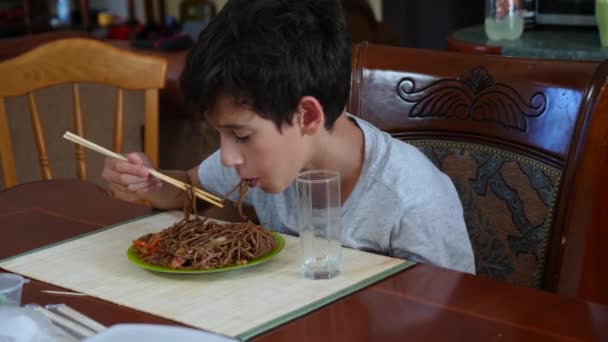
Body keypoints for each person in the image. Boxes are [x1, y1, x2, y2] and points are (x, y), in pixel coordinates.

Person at [102, 0, 475, 274]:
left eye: (241, 135)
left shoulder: (411, 200)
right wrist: (150, 184)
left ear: (308, 115)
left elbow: (453, 314)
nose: (228, 157)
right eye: (220, 135)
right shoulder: (263, 161)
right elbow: (190, 187)